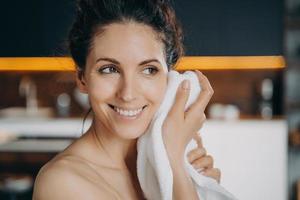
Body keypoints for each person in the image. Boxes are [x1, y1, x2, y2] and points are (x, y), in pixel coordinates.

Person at [33, 0, 220, 199]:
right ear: (82, 78)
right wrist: (175, 162)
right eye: (110, 70)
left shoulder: (162, 162)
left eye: (149, 70)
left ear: (170, 78)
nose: (128, 94)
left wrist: (199, 185)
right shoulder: (61, 184)